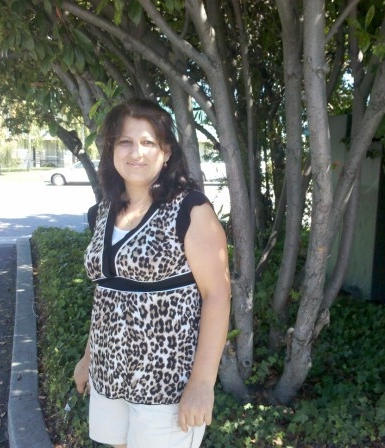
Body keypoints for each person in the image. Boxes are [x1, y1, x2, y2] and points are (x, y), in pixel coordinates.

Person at [73, 98, 231, 448]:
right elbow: (107, 295)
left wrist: (202, 383)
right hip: (109, 375)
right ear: (112, 149)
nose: (136, 153)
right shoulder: (103, 211)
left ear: (166, 151)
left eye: (148, 142)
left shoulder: (190, 210)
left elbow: (217, 295)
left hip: (167, 384)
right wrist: (88, 358)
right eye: (125, 142)